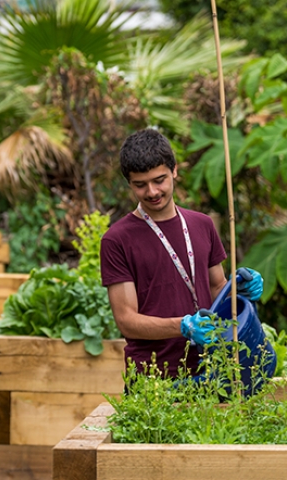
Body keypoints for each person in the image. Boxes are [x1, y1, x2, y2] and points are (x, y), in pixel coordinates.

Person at [100, 128, 263, 378]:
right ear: (129, 183)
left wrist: (239, 290)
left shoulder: (202, 225)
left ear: (174, 170)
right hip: (154, 379)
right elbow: (126, 320)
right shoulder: (117, 240)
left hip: (214, 373)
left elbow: (216, 288)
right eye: (140, 185)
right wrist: (183, 326)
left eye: (159, 180)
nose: (152, 192)